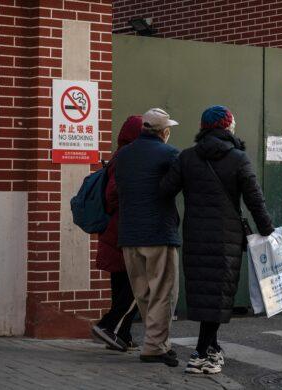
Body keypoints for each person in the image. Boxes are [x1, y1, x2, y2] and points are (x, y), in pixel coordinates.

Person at [160, 105, 275, 375]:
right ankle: (201, 354)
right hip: (226, 238)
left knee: (204, 293)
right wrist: (267, 232)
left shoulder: (187, 158)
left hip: (196, 236)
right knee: (218, 293)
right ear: (227, 127)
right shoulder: (238, 159)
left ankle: (211, 348)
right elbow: (255, 200)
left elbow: (165, 190)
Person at [116, 108, 181, 367]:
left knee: (142, 292)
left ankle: (157, 342)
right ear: (163, 132)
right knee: (163, 291)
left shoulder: (123, 155)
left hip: (129, 234)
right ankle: (155, 346)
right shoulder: (169, 153)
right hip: (158, 233)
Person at [92, 116, 142, 352]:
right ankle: (109, 326)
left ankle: (122, 335)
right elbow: (113, 195)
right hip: (122, 231)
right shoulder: (125, 158)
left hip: (115, 232)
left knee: (122, 283)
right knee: (138, 283)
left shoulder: (119, 156)